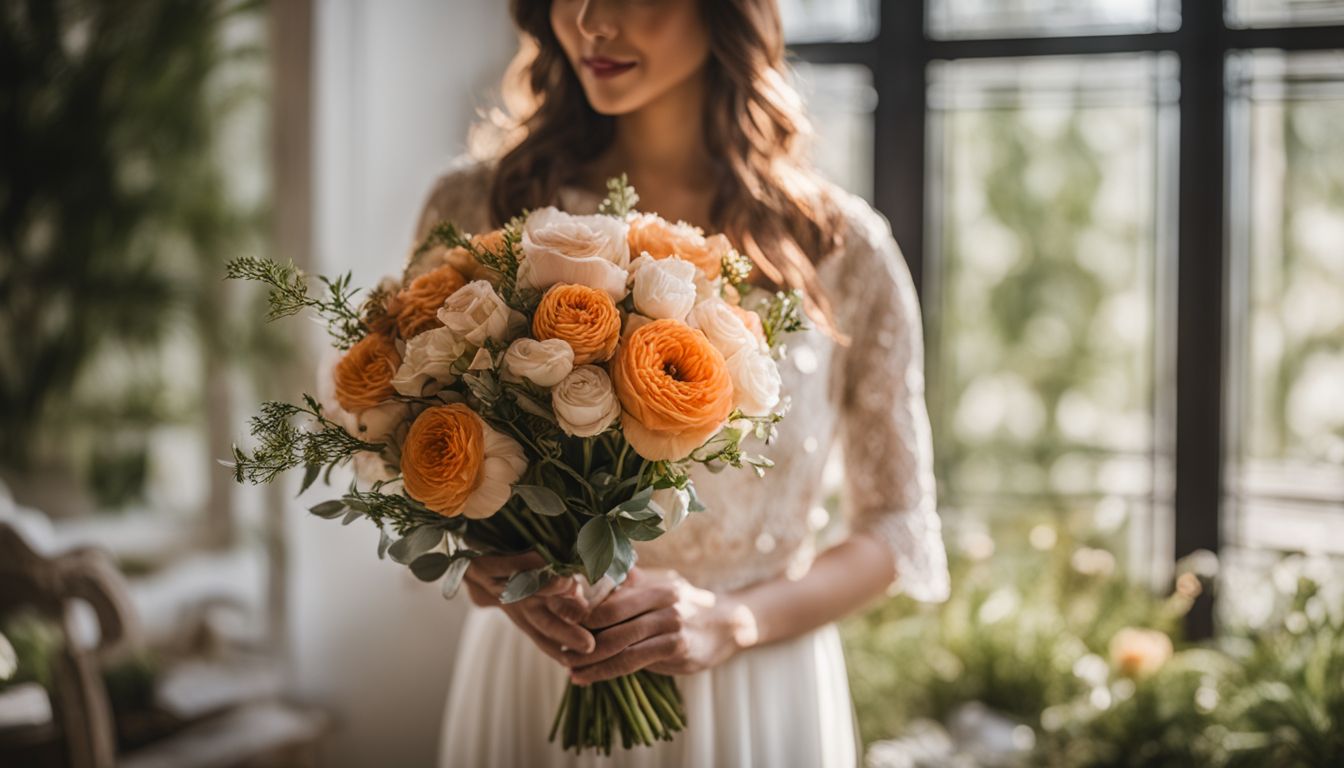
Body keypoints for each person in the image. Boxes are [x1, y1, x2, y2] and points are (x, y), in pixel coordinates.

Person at [416, 1, 950, 765]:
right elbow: (420, 455)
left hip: (752, 692)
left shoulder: (837, 249)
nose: (593, 22)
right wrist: (484, 566)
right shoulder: (475, 210)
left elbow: (897, 525)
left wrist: (735, 621)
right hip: (537, 678)